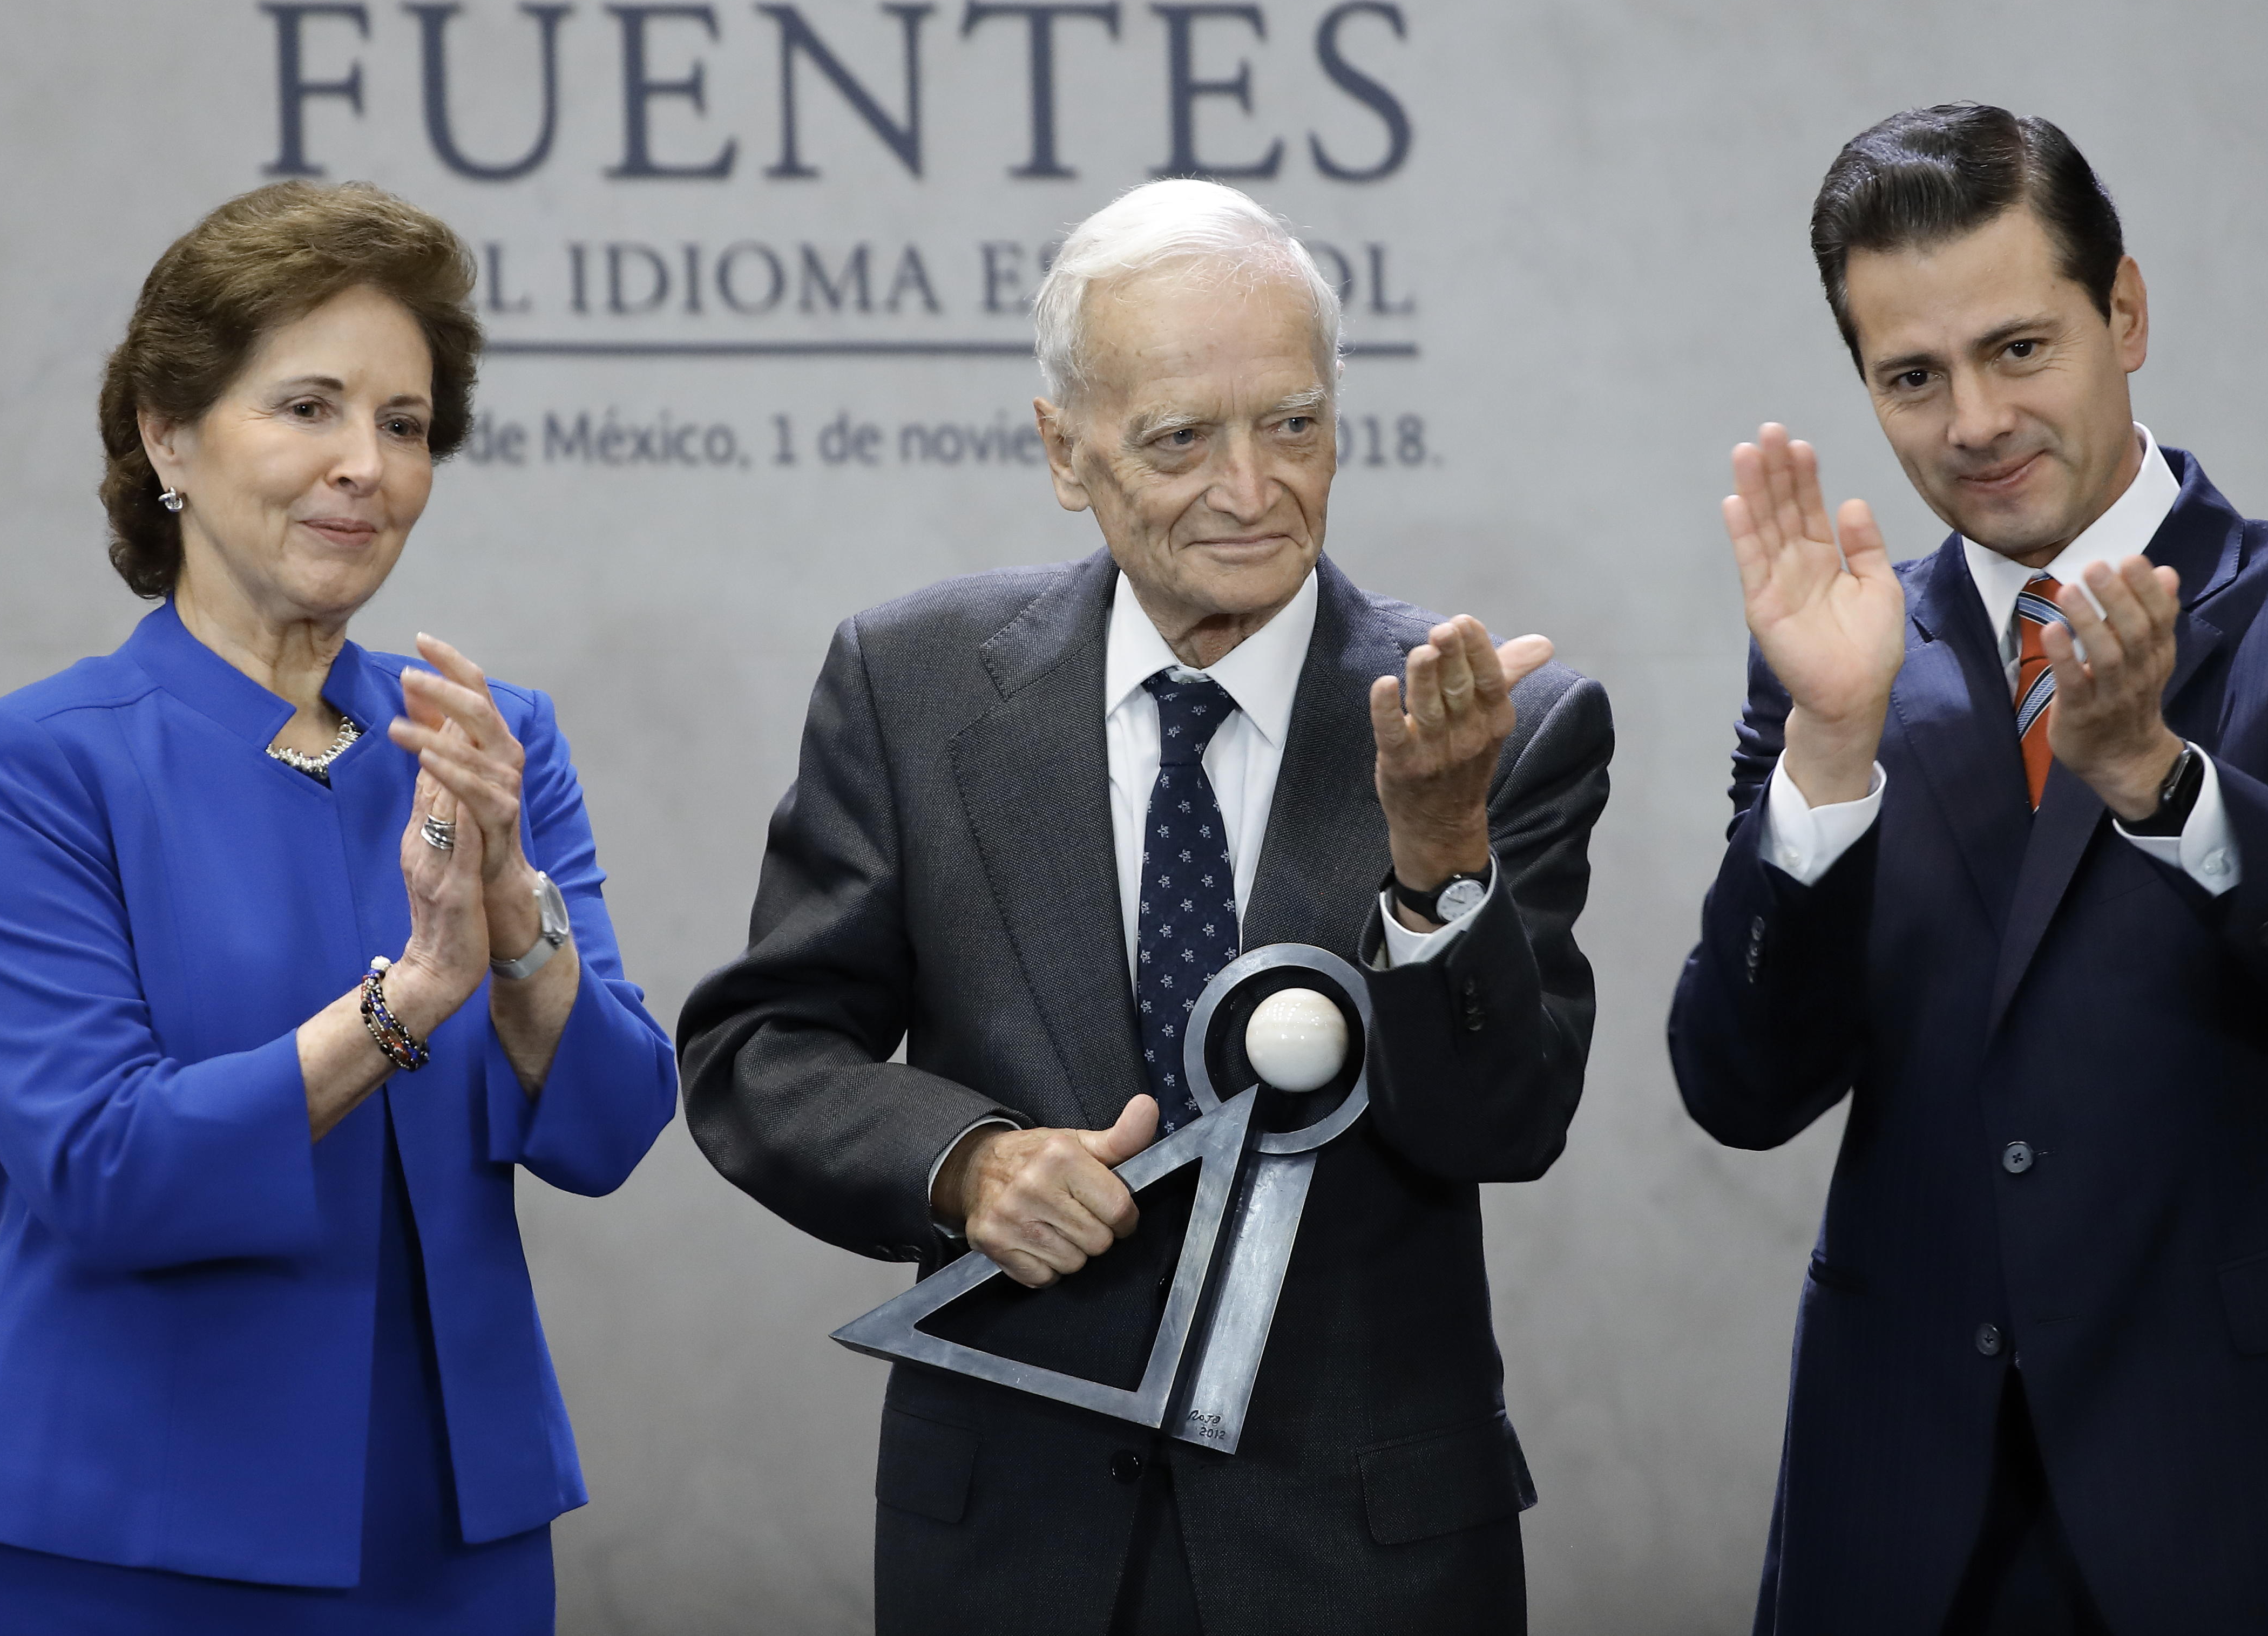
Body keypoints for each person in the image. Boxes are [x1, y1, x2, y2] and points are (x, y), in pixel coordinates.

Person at [680, 178, 1612, 1636]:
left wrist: (1435, 858)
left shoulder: (1498, 721)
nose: (1249, 488)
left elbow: (1504, 1122)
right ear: (1066, 450)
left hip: (1364, 1560)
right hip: (1007, 1547)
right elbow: (764, 1052)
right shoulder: (911, 686)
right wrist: (966, 1165)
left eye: (1290, 423)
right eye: (1180, 438)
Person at [1670, 105, 2268, 1634]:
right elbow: (1741, 1090)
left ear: (2122, 314)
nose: (1973, 422)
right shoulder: (1839, 663)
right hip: (1917, 1512)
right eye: (1911, 378)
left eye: (2018, 349)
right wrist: (1820, 761)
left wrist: (2158, 779)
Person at [0, 182, 679, 1632]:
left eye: (402, 423)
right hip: (120, 1531)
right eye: (309, 408)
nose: (364, 467)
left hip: (453, 1535)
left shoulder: (486, 740)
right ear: (166, 435)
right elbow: (103, 1168)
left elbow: (612, 1124)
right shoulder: (32, 764)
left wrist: (515, 926)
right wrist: (406, 1005)